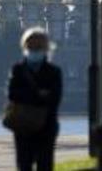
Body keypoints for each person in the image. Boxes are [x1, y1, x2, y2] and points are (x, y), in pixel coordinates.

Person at [7, 27, 63, 171]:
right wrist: (39, 94)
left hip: (46, 126)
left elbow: (55, 98)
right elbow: (12, 94)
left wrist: (28, 96)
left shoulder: (54, 71)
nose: (34, 49)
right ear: (24, 47)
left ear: (46, 48)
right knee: (24, 165)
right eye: (30, 46)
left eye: (38, 46)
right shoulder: (17, 69)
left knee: (45, 165)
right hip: (22, 126)